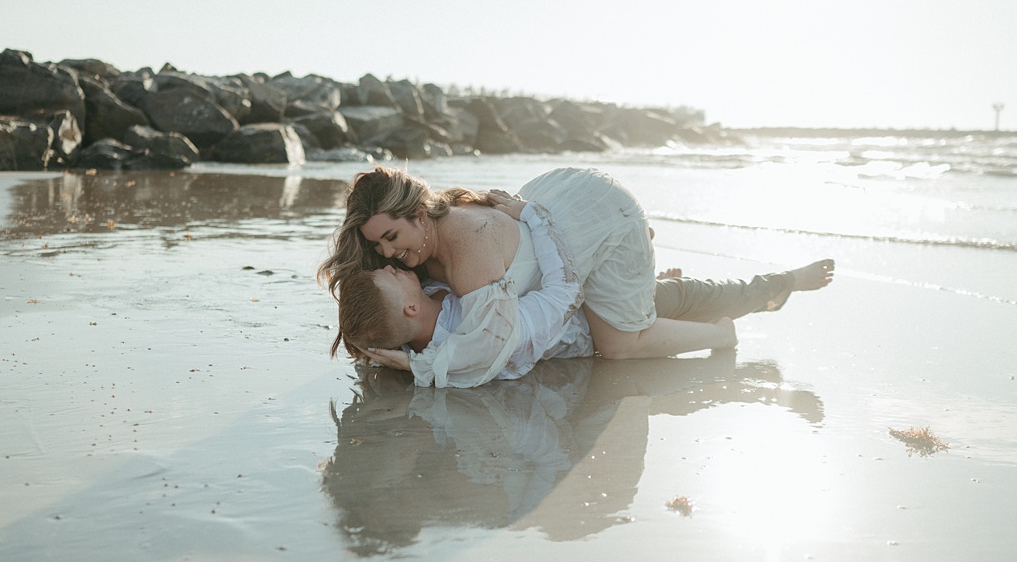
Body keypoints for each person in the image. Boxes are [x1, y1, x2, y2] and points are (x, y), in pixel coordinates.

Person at [319, 166, 834, 387]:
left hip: (595, 220)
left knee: (621, 342)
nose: (389, 255)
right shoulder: (419, 259)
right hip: (559, 233)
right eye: (378, 245)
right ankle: (774, 285)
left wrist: (418, 369)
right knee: (655, 299)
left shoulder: (466, 242)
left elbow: (487, 348)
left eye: (391, 237)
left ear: (417, 213)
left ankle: (755, 305)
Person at [337, 197, 593, 384]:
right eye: (391, 276)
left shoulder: (413, 324)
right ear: (411, 309)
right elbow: (566, 294)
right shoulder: (496, 333)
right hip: (587, 327)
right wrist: (535, 215)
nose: (391, 265)